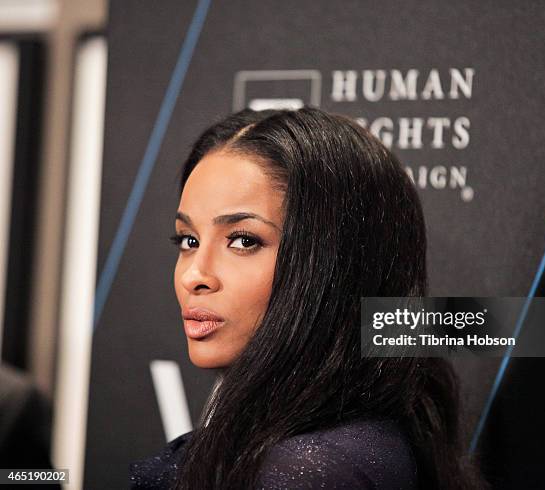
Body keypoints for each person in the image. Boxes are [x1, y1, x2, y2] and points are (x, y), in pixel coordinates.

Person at [129, 107, 485, 489]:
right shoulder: (331, 448)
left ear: (336, 264)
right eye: (189, 240)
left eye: (244, 241)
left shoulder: (310, 470)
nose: (194, 275)